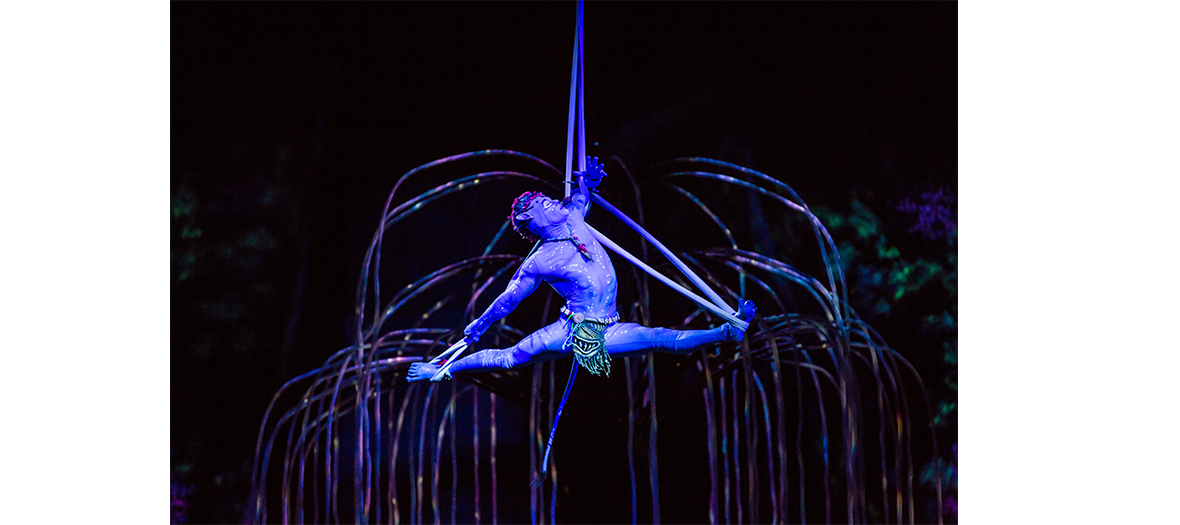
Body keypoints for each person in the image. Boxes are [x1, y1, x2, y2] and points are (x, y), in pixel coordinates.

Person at [407, 157, 755, 382]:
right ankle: (443, 369)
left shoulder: (573, 215)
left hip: (609, 323)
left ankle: (727, 333)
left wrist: (589, 178)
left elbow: (581, 195)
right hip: (575, 331)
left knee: (663, 339)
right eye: (542, 204)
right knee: (514, 357)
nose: (551, 201)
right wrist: (479, 326)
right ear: (532, 220)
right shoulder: (539, 261)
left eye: (548, 198)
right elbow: (507, 301)